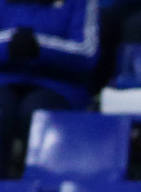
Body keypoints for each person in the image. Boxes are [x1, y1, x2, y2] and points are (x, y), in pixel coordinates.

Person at [0, 0, 101, 177]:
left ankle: (39, 191)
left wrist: (38, 47)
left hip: (60, 85)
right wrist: (10, 43)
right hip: (5, 80)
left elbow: (88, 52)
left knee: (36, 112)